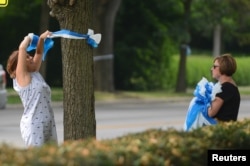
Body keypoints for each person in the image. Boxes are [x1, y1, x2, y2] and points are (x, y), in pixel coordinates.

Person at [6, 30, 58, 147]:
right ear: (18, 65)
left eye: (30, 56)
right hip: (34, 124)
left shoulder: (34, 73)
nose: (30, 58)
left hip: (48, 122)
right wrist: (29, 37)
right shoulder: (22, 78)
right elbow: (22, 48)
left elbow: (39, 53)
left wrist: (41, 39)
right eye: (27, 57)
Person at [208, 54, 240, 122]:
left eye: (214, 66)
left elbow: (211, 113)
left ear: (223, 67)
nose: (211, 69)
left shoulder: (226, 88)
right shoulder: (230, 86)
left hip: (222, 130)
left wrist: (201, 104)